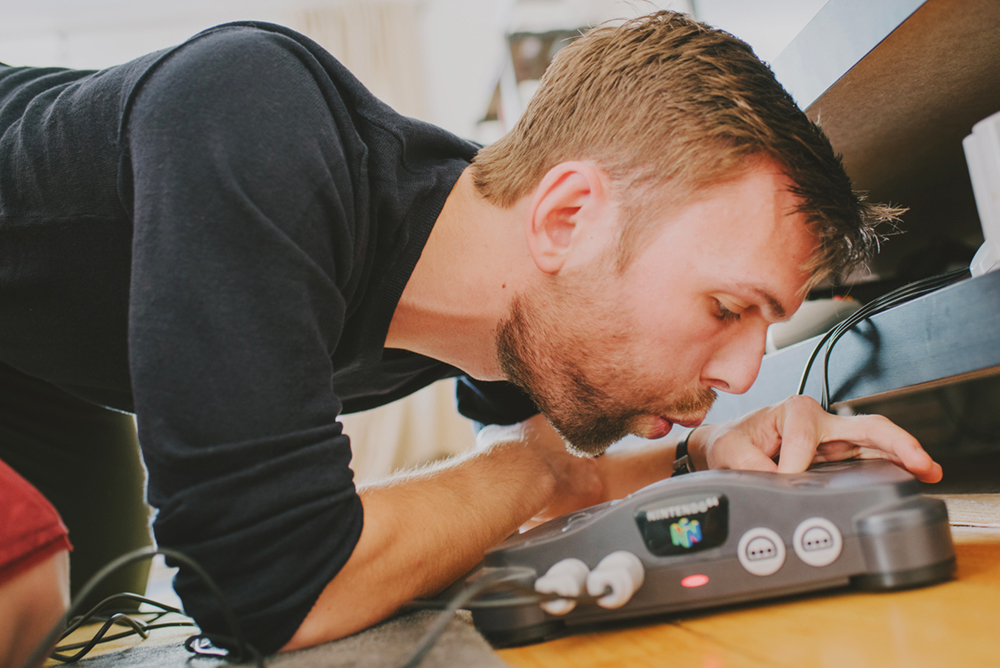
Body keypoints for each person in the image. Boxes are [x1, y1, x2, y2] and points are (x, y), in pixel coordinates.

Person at [0, 9, 942, 658]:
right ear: (568, 217)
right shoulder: (255, 116)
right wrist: (545, 468)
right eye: (726, 309)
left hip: (43, 360)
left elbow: (557, 446)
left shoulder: (514, 289)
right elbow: (264, 587)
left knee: (77, 621)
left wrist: (704, 455)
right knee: (27, 593)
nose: (745, 373)